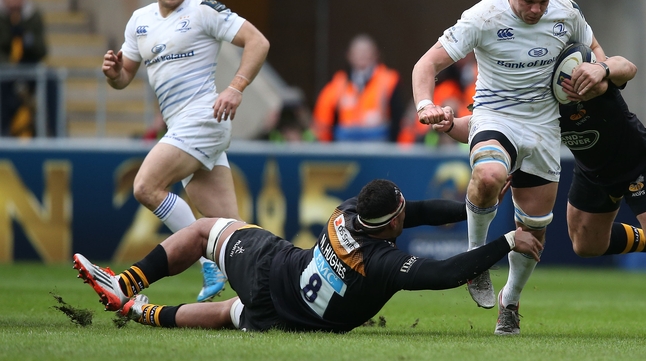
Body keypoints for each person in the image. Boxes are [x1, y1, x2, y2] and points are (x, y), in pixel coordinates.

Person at [434, 52, 646, 339]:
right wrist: (449, 123)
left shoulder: (589, 75)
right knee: (586, 245)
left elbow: (626, 66)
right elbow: (484, 125)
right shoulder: (537, 97)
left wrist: (600, 68)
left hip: (638, 164)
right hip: (592, 171)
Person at [412, 0, 606, 335]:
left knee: (532, 232)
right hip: (494, 117)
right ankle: (476, 261)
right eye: (528, 1)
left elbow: (597, 53)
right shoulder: (483, 16)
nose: (537, 10)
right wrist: (425, 104)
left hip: (545, 128)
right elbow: (426, 64)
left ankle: (510, 300)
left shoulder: (566, 12)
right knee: (487, 177)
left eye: (543, 1)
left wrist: (594, 69)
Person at [72, 179, 542, 332]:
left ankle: (131, 288)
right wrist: (504, 242)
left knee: (202, 232)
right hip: (290, 316)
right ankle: (134, 304)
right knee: (224, 311)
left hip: (277, 271)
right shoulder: (378, 264)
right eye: (404, 212)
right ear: (394, 223)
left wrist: (475, 207)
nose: (410, 211)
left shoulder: (348, 211)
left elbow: (417, 212)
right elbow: (442, 273)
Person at [101, 0, 270, 302]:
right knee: (232, 229)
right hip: (183, 127)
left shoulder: (203, 12)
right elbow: (124, 77)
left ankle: (205, 258)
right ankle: (269, 292)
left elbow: (258, 41)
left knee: (146, 186)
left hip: (204, 118)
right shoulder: (140, 22)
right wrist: (115, 74)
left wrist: (236, 88)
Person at [313, 34, 404, 142]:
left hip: (379, 144)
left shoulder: (389, 80)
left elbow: (399, 121)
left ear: (376, 55)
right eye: (358, 52)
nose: (362, 55)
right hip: (345, 145)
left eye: (366, 51)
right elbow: (322, 122)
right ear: (349, 55)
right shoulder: (338, 84)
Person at [0, 0, 48, 137]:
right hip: (4, 74)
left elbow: (42, 50)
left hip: (28, 71)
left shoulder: (33, 17)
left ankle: (55, 133)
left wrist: (27, 39)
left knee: (51, 82)